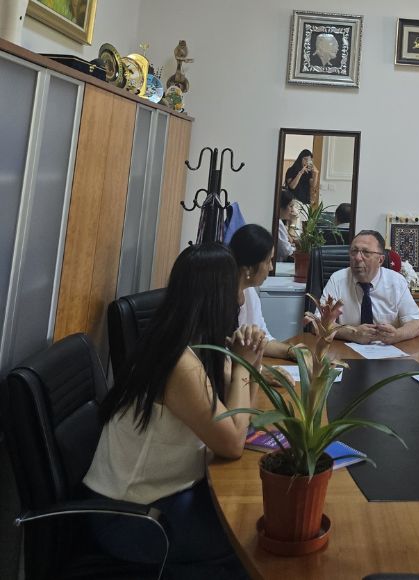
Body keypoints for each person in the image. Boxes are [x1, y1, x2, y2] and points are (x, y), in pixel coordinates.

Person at [83, 243, 266, 579]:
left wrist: (248, 363)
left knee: (257, 524)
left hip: (166, 494)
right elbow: (233, 443)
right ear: (216, 297)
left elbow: (243, 419)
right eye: (235, 289)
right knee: (256, 541)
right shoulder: (179, 362)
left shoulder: (185, 342)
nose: (241, 300)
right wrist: (244, 365)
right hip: (133, 518)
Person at [320, 230, 419, 344]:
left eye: (366, 252)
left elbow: (416, 324)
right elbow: (320, 322)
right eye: (354, 251)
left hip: (385, 351)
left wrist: (397, 335)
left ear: (380, 260)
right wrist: (352, 334)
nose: (358, 258)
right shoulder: (337, 280)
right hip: (345, 349)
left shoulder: (397, 282)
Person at [228, 224, 296, 360]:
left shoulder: (249, 292)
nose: (271, 268)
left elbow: (262, 339)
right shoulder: (220, 297)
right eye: (268, 261)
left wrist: (292, 351)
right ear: (248, 268)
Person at [275, 189, 297, 261]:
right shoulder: (277, 223)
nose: (293, 210)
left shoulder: (280, 221)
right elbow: (286, 251)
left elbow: (291, 240)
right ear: (281, 206)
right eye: (291, 206)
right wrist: (293, 222)